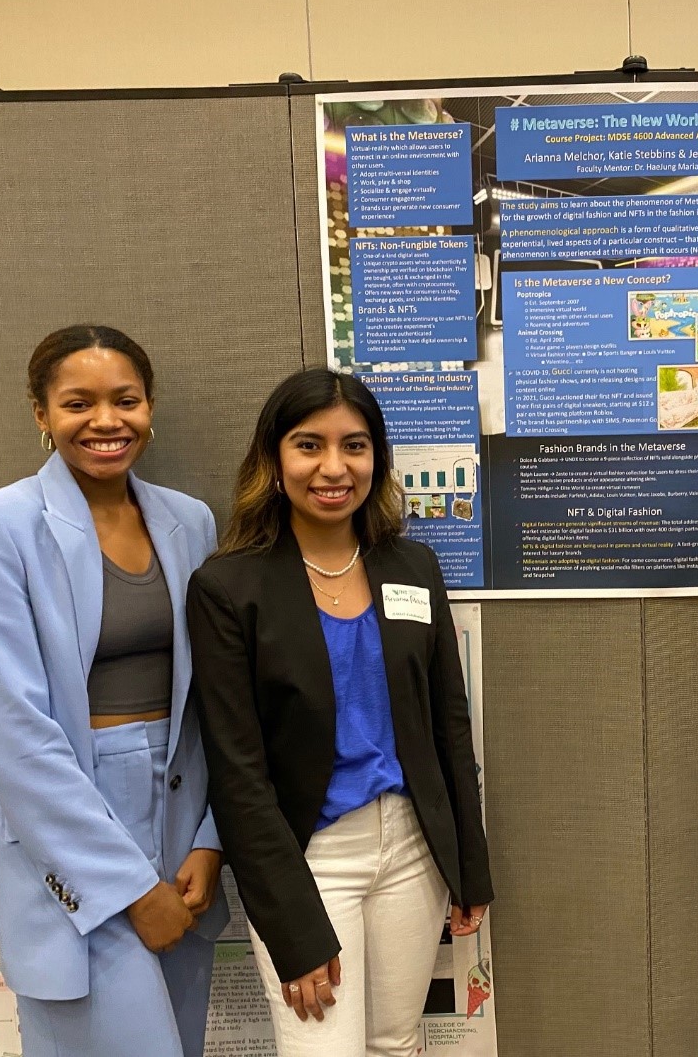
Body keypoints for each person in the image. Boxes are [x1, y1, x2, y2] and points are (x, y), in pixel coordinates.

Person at [188, 367, 492, 1057]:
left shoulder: (412, 566)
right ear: (273, 459)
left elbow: (449, 723)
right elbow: (237, 774)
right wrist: (290, 926)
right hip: (312, 855)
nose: (333, 467)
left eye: (354, 446)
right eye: (308, 446)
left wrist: (468, 866)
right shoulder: (229, 588)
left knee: (396, 1041)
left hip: (413, 847)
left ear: (377, 459)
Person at [0, 325, 227, 1057]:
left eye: (125, 400)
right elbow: (16, 735)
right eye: (78, 403)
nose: (107, 421)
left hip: (178, 822)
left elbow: (213, 700)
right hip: (68, 831)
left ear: (150, 406)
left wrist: (210, 840)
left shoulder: (189, 521)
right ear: (41, 414)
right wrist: (131, 890)